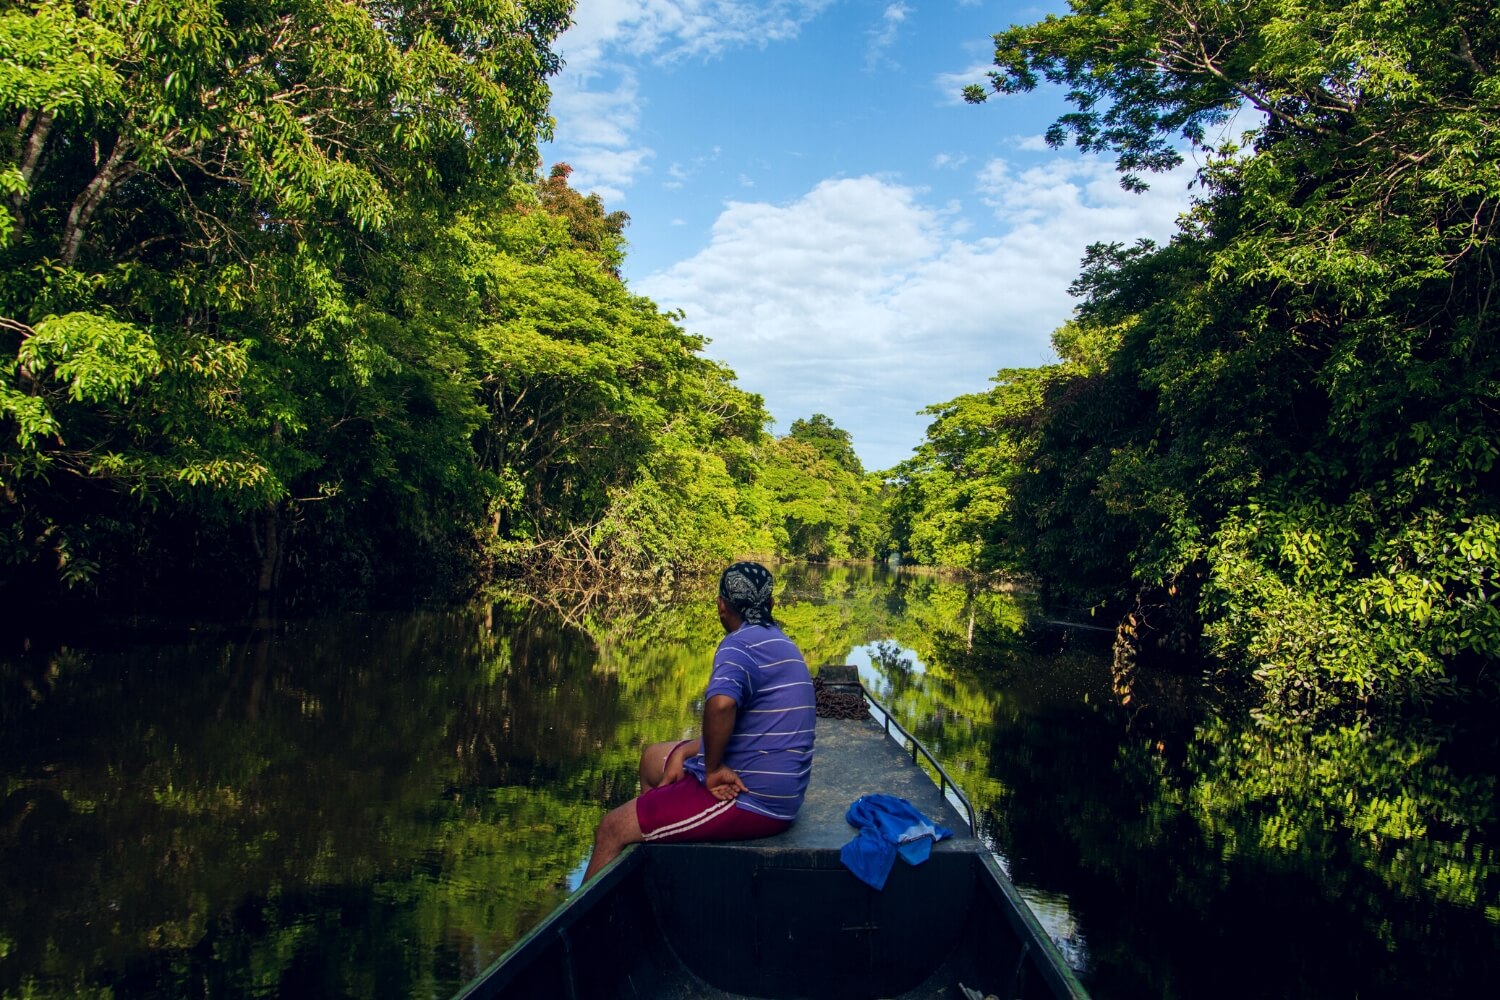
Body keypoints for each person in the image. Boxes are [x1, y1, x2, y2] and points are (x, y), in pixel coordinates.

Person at [580, 561, 815, 882]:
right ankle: (658, 860)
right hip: (776, 785)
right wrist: (689, 751)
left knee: (611, 828)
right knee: (653, 758)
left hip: (752, 798)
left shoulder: (738, 645)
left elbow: (720, 706)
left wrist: (713, 769)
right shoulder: (780, 643)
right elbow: (752, 728)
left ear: (721, 606)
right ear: (771, 605)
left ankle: (592, 930)